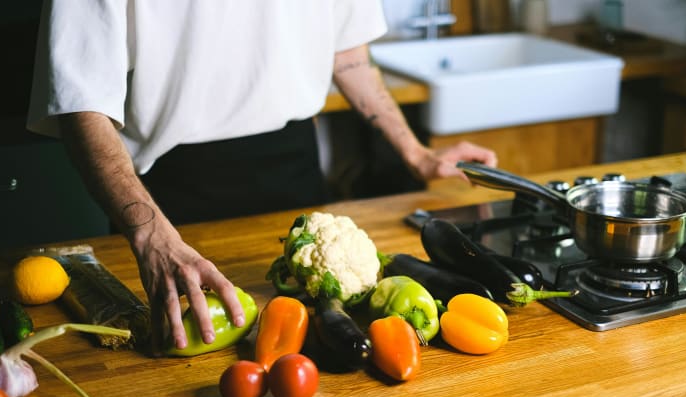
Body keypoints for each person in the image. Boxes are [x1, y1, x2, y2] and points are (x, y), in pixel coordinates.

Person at [27, 0, 498, 353]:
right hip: (165, 207)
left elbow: (348, 52)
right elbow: (80, 101)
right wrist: (149, 234)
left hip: (297, 182)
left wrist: (416, 154)